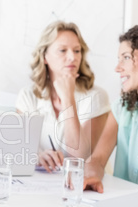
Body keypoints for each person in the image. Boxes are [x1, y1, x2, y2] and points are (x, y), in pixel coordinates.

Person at [16, 21, 110, 172]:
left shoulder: (97, 97)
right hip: (40, 183)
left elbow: (79, 158)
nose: (72, 57)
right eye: (62, 50)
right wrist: (38, 156)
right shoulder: (28, 96)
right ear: (45, 56)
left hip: (82, 185)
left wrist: (67, 98)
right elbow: (20, 150)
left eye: (77, 50)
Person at [84, 25, 138, 193]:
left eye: (126, 58)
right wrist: (92, 175)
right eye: (119, 59)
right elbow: (98, 159)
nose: (118, 68)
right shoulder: (122, 110)